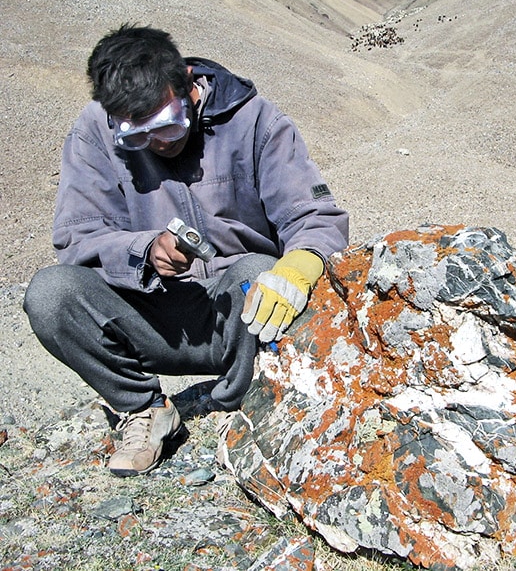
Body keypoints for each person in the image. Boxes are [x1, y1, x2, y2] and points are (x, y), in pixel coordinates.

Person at [23, 24, 349, 477]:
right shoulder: (94, 131)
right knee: (49, 294)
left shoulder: (255, 121)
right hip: (149, 315)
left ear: (189, 90)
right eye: (137, 138)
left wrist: (299, 264)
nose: (157, 143)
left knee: (256, 269)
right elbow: (76, 239)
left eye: (165, 126)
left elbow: (315, 215)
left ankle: (239, 399)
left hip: (241, 314)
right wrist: (143, 250)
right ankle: (144, 409)